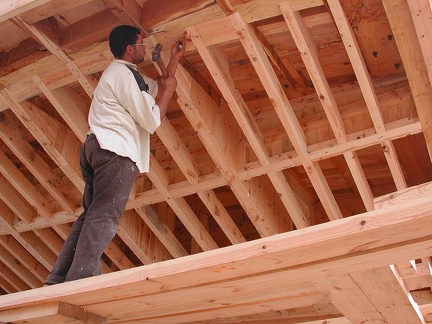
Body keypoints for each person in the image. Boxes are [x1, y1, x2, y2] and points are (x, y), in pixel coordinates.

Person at [44, 25, 185, 285]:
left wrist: (173, 63)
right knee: (104, 215)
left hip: (98, 147)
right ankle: (81, 279)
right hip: (114, 151)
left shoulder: (126, 75)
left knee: (91, 214)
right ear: (130, 48)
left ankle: (58, 278)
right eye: (141, 43)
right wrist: (167, 91)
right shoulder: (122, 75)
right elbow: (152, 118)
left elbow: (155, 90)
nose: (144, 47)